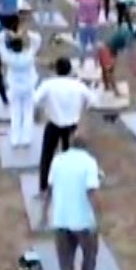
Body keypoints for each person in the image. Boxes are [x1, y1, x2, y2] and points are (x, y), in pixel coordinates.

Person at [38, 136, 102, 270]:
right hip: (83, 221)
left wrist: (44, 214)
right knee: (90, 254)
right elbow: (91, 192)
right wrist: (98, 217)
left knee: (65, 259)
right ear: (86, 147)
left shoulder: (58, 160)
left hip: (61, 219)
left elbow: (49, 189)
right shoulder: (89, 162)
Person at [32, 58, 97, 193]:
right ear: (70, 70)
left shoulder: (48, 84)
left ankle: (44, 187)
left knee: (47, 156)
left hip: (54, 124)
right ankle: (71, 185)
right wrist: (81, 107)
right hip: (71, 127)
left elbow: (35, 100)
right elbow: (92, 101)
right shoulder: (78, 85)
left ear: (56, 69)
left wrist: (45, 106)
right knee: (71, 159)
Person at [0, 28, 42, 148]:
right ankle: (26, 139)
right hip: (28, 87)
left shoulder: (8, 57)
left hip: (15, 88)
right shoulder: (29, 56)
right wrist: (27, 32)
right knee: (28, 112)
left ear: (11, 47)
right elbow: (37, 40)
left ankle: (15, 139)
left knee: (15, 113)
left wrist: (6, 32)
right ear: (22, 46)